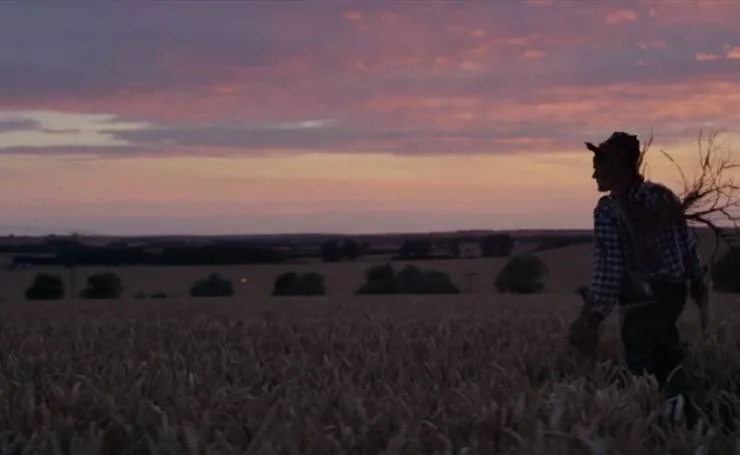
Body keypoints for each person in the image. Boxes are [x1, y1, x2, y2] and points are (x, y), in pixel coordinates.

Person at [567, 131, 710, 427]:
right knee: (670, 358)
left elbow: (610, 270)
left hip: (641, 302)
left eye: (598, 165)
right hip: (673, 295)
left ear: (619, 166)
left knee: (642, 371)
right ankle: (688, 422)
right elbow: (688, 250)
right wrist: (698, 289)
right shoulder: (664, 196)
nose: (594, 173)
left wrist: (592, 314)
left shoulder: (609, 210)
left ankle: (652, 429)